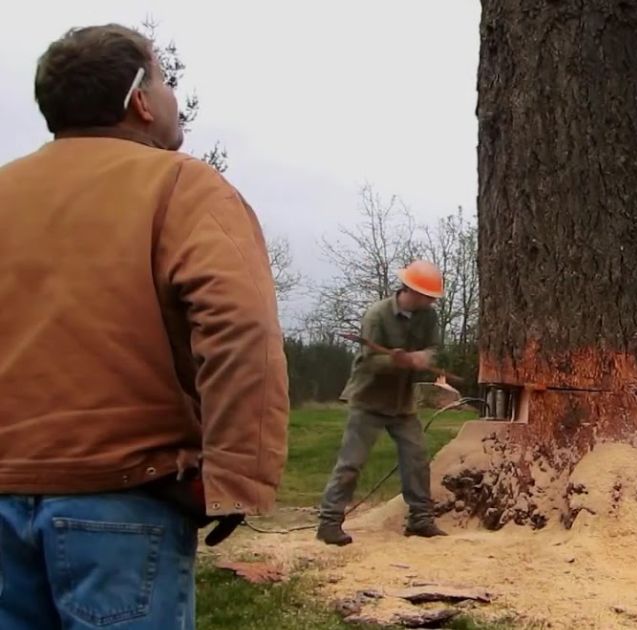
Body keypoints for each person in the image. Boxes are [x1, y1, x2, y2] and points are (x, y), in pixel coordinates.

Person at [0, 24, 289, 629]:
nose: (171, 95)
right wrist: (233, 478)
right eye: (164, 79)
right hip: (124, 501)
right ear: (139, 100)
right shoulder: (181, 185)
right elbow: (239, 324)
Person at [317, 260, 448, 545]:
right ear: (409, 290)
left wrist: (424, 358)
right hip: (369, 399)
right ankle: (329, 522)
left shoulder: (428, 317)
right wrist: (394, 360)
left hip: (402, 402)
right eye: (426, 296)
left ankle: (420, 520)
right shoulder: (376, 315)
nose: (428, 302)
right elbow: (369, 361)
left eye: (431, 298)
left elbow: (434, 349)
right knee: (351, 463)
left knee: (416, 459)